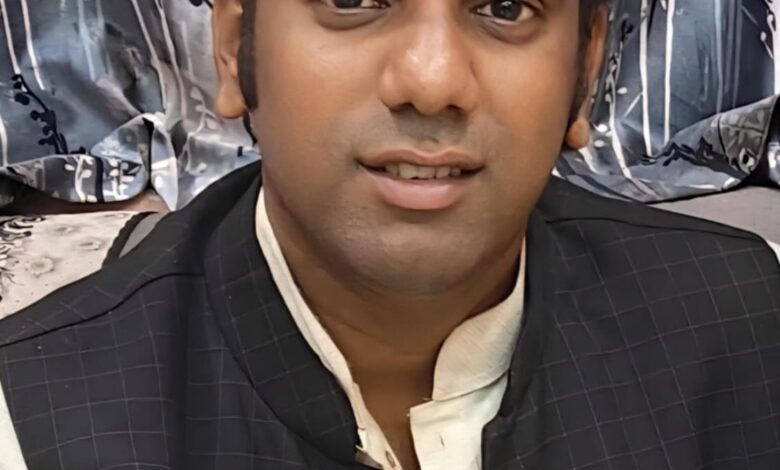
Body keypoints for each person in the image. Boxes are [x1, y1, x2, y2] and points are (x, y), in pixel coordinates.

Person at [0, 1, 777, 469]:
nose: (432, 81)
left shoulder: (744, 325)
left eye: (505, 7)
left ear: (587, 65)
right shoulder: (33, 424)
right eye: (355, 0)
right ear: (235, 50)